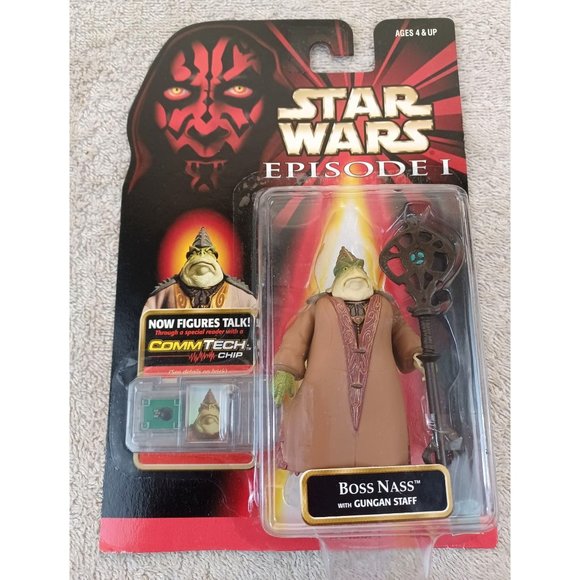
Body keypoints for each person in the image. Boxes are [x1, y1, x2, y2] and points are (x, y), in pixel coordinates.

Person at [273, 247, 423, 472]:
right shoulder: (319, 306)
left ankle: (384, 479)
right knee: (321, 436)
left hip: (380, 392)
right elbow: (296, 338)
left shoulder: (385, 306)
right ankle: (321, 479)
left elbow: (402, 334)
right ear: (336, 279)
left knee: (385, 439)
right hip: (325, 391)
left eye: (359, 269)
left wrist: (416, 353)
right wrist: (285, 369)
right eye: (346, 270)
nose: (354, 273)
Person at [143, 227, 257, 311]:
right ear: (188, 258)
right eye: (196, 252)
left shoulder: (238, 293)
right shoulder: (165, 293)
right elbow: (145, 321)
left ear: (215, 257)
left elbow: (257, 318)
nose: (202, 254)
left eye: (207, 252)